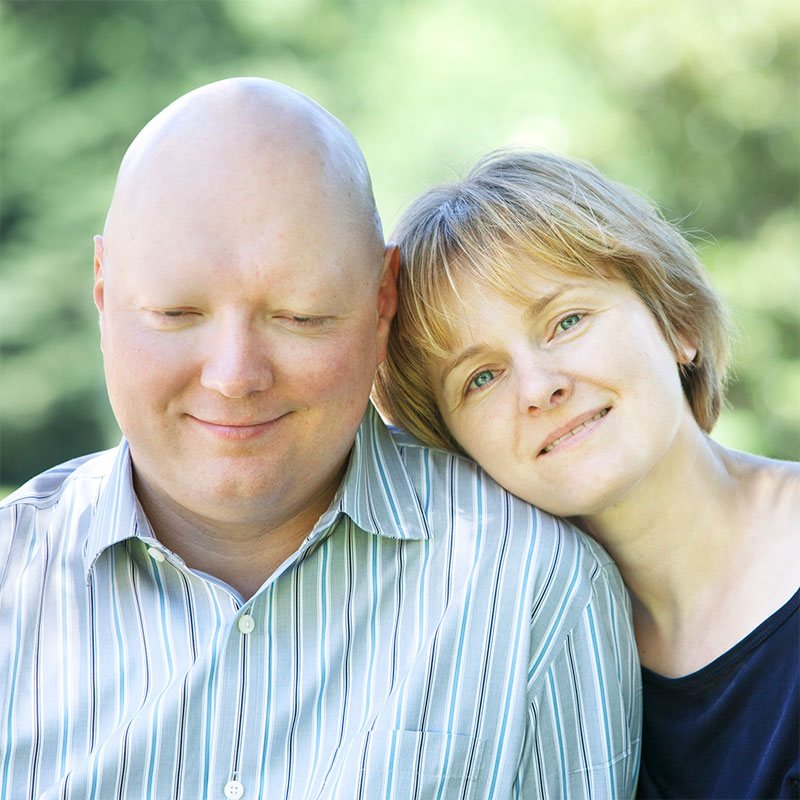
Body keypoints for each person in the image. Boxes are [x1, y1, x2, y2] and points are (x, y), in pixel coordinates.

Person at [0, 81, 640, 799]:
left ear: (381, 305)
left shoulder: (531, 589)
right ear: (103, 294)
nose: (235, 376)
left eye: (300, 317)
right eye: (177, 313)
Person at [373, 149, 800, 799]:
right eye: (481, 377)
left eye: (566, 321)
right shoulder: (518, 655)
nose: (538, 389)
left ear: (675, 319)